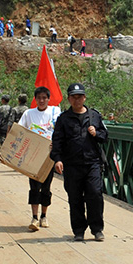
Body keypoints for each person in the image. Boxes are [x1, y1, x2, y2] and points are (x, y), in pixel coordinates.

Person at [50, 83, 108, 241]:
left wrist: (96, 133)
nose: (77, 100)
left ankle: (97, 229)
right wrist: (57, 159)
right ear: (69, 99)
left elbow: (105, 136)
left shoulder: (94, 115)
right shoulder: (63, 119)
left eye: (80, 96)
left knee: (95, 194)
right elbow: (57, 141)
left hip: (92, 163)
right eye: (74, 97)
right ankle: (78, 230)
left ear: (85, 97)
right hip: (72, 165)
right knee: (75, 198)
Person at [20, 87, 61, 232]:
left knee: (46, 186)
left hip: (48, 156)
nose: (42, 100)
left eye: (44, 97)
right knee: (34, 186)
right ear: (35, 99)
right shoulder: (28, 113)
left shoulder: (55, 112)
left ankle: (44, 215)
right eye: (39, 98)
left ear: (48, 99)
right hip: (33, 155)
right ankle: (34, 217)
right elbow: (20, 131)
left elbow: (60, 131)